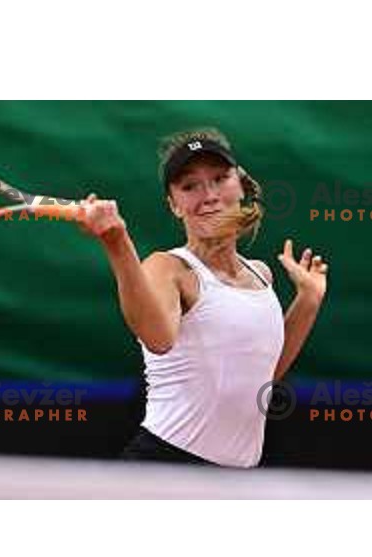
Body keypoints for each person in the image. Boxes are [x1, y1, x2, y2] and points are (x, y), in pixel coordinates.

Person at [78, 127, 328, 468]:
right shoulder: (168, 268)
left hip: (234, 479)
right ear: (174, 205)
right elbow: (158, 338)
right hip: (163, 467)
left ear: (240, 184)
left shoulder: (260, 273)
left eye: (219, 178)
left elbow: (263, 376)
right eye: (189, 186)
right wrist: (118, 244)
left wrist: (309, 301)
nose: (208, 195)